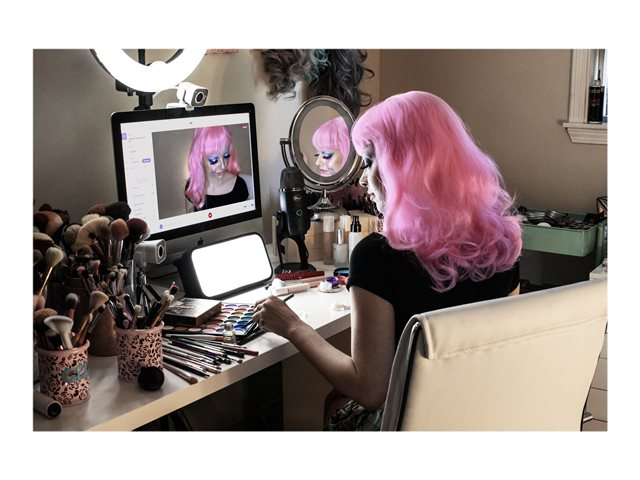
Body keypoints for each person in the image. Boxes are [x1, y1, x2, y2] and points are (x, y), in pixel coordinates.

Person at [252, 91, 522, 431]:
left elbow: (369, 391)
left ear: (402, 166)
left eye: (369, 161)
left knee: (336, 404)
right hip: (484, 421)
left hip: (412, 427)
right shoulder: (501, 243)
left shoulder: (377, 256)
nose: (363, 179)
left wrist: (293, 327)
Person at [184, 126, 248, 210]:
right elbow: (190, 213)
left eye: (226, 156)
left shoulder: (239, 186)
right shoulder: (193, 188)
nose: (223, 166)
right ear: (200, 158)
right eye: (214, 160)